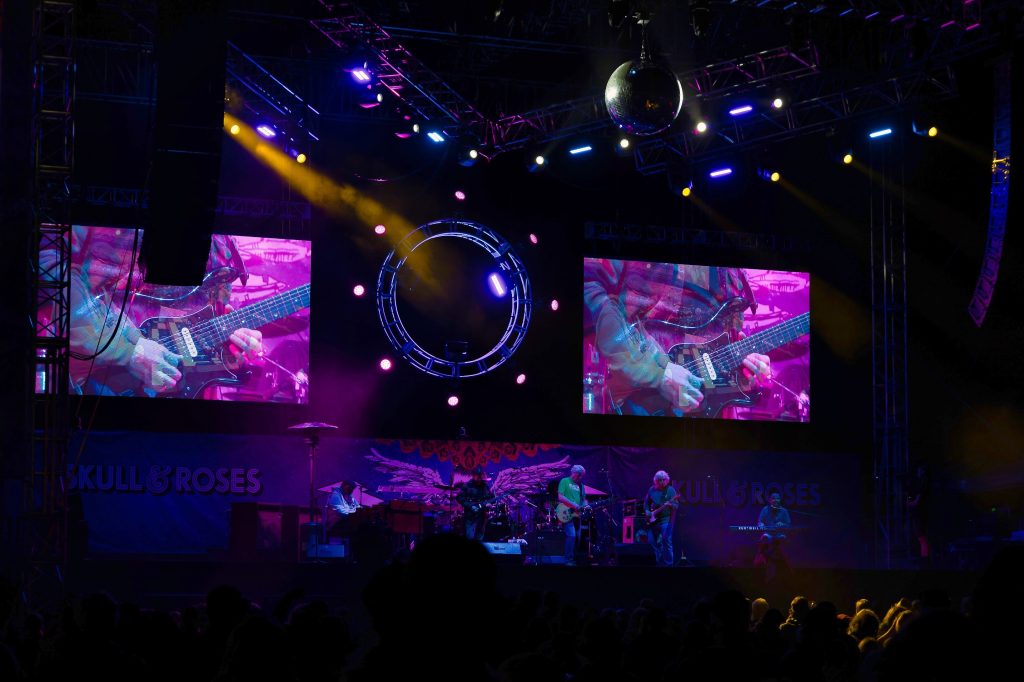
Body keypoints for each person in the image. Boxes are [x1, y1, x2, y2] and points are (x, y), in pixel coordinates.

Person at [65, 225, 264, 397]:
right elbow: (55, 271)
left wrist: (231, 344)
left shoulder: (226, 240)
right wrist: (127, 351)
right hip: (96, 381)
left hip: (177, 395)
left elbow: (200, 320)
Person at [582, 258, 773, 417]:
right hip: (636, 407)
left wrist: (744, 366)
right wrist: (656, 372)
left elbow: (722, 340)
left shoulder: (737, 271)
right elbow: (587, 285)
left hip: (710, 422)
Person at [643, 470, 679, 567]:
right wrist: (647, 511)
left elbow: (676, 505)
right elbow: (646, 503)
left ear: (667, 480)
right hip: (653, 520)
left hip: (666, 519)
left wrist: (671, 505)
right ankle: (659, 562)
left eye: (664, 480)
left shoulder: (670, 490)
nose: (662, 482)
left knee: (666, 540)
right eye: (659, 480)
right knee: (651, 541)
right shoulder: (651, 490)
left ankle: (669, 565)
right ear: (655, 481)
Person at [557, 465, 589, 565]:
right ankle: (568, 560)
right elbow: (560, 497)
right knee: (571, 536)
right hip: (566, 512)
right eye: (580, 475)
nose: (580, 477)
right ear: (574, 473)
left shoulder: (581, 485)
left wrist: (587, 505)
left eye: (581, 476)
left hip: (577, 515)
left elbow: (583, 500)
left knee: (577, 538)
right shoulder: (564, 481)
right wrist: (574, 505)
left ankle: (574, 559)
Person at [755, 492, 791, 580]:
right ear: (770, 500)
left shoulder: (784, 511)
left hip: (780, 533)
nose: (775, 500)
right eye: (773, 498)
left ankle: (784, 564)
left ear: (780, 500)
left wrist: (783, 524)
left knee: (782, 539)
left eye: (777, 498)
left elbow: (789, 525)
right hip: (768, 533)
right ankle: (762, 559)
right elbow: (760, 522)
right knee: (765, 538)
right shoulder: (765, 509)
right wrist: (761, 525)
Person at [455, 466, 494, 542]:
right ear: (473, 475)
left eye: (480, 475)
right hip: (470, 515)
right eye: (477, 475)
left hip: (482, 515)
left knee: (480, 535)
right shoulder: (467, 485)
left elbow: (491, 497)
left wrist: (489, 503)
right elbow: (459, 497)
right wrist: (470, 506)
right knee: (470, 536)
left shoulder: (485, 486)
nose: (479, 477)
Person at [906, 464, 931, 563]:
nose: (918, 472)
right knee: (921, 537)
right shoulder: (923, 482)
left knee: (921, 536)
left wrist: (909, 503)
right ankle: (925, 557)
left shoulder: (923, 483)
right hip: (922, 512)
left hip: (921, 512)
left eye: (920, 470)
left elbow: (917, 501)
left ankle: (925, 558)